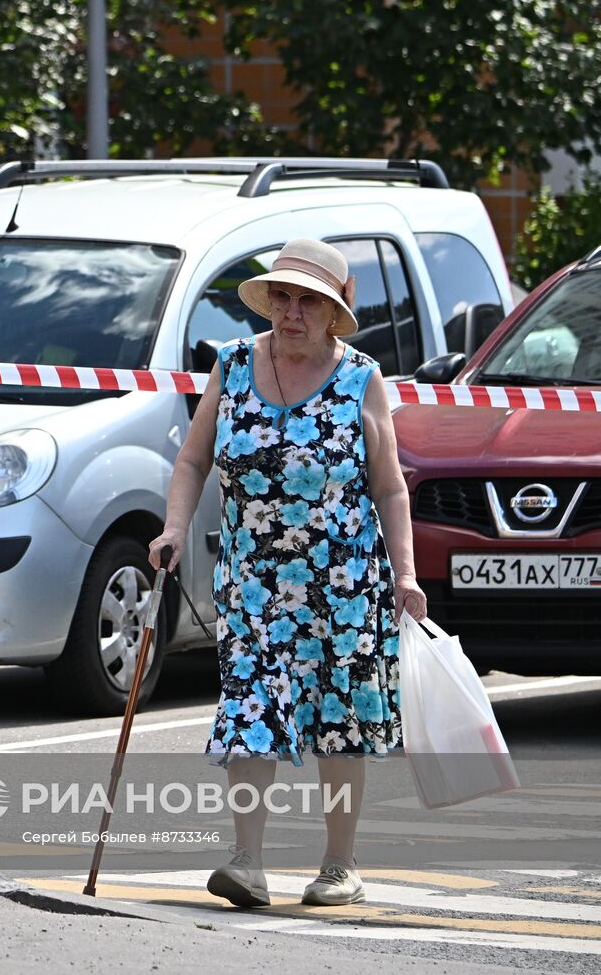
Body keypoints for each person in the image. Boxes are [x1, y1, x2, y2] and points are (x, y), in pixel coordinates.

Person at [148, 238, 426, 906]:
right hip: (253, 582)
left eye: (309, 301)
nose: (292, 311)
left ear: (334, 313)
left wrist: (405, 574)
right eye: (283, 296)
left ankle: (339, 864)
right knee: (250, 708)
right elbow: (192, 461)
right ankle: (247, 861)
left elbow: (390, 488)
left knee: (339, 719)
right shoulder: (234, 365)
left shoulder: (362, 379)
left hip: (343, 585)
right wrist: (175, 527)